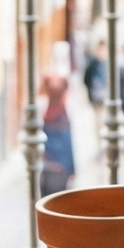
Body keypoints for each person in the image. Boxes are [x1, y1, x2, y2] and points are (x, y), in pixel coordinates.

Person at [36, 41, 75, 198]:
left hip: (60, 120)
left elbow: (68, 98)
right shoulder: (48, 75)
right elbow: (41, 95)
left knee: (63, 154)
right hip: (51, 121)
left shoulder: (64, 76)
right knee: (51, 156)